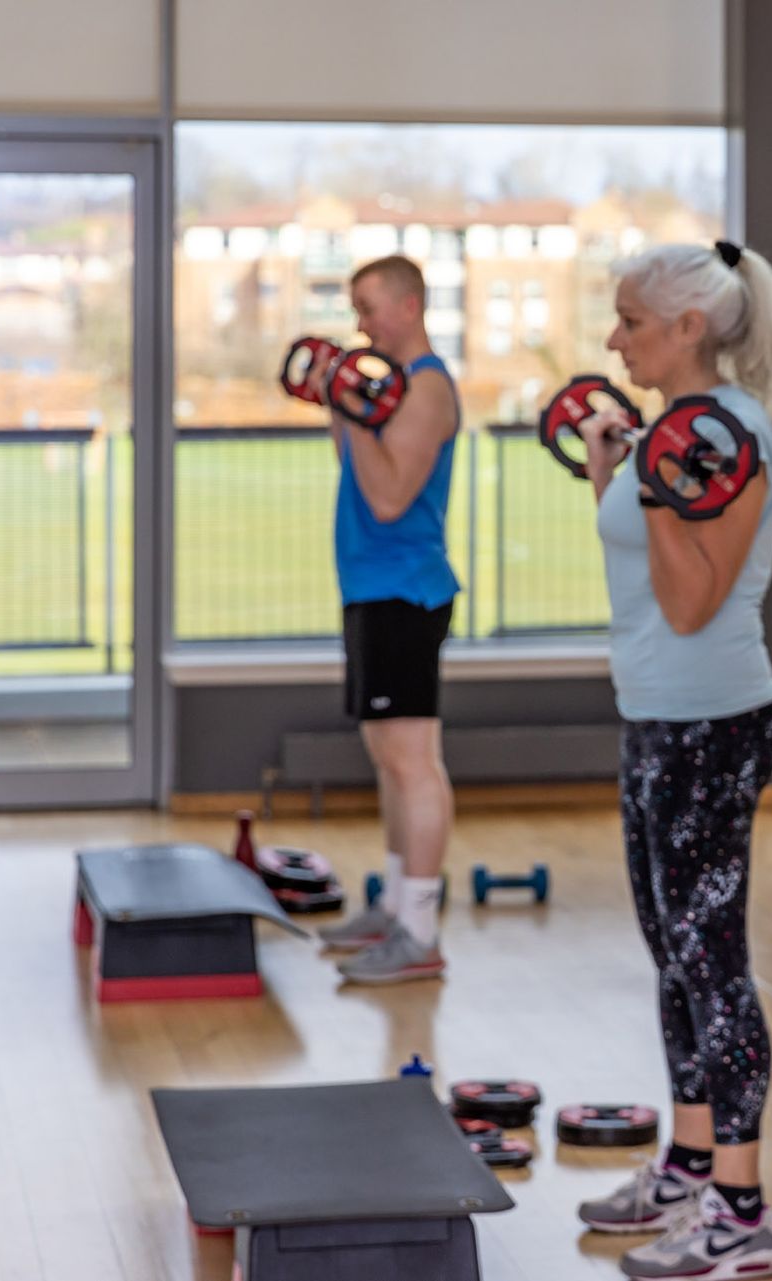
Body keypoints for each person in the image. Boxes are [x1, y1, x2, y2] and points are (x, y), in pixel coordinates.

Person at [571, 240, 772, 1281]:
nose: (614, 340)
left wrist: (654, 487)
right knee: (673, 952)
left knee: (712, 960)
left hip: (710, 721)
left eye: (630, 321)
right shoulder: (677, 433)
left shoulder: (727, 433)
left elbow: (694, 599)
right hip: (657, 714)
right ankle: (691, 1163)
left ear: (689, 328)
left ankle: (741, 1210)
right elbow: (649, 561)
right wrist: (621, 474)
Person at [311, 255, 461, 985]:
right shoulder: (393, 389)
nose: (361, 324)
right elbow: (353, 459)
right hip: (372, 586)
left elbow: (392, 495)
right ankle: (397, 905)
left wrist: (347, 403)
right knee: (387, 760)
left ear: (407, 307)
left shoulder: (427, 388)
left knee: (413, 762)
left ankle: (421, 931)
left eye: (369, 308)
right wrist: (340, 405)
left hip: (406, 590)